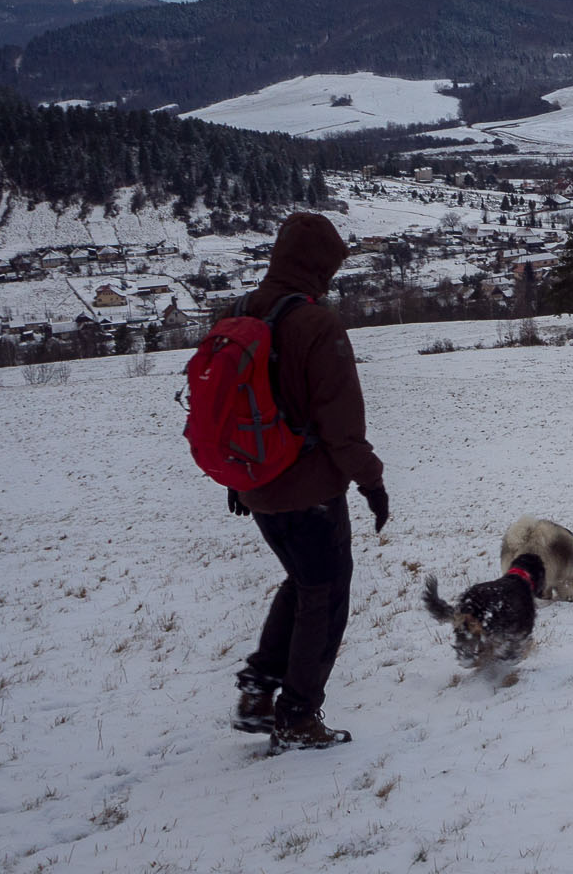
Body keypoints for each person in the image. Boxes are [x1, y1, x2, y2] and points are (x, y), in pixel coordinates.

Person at [227, 212, 390, 753]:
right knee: (326, 597)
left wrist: (236, 476)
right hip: (308, 493)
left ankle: (257, 690)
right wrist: (372, 484)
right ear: (317, 264)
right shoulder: (316, 323)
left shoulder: (243, 311)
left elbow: (235, 407)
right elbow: (341, 426)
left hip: (256, 486)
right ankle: (296, 716)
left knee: (302, 583)